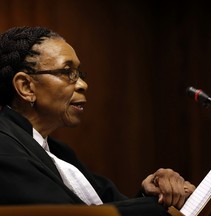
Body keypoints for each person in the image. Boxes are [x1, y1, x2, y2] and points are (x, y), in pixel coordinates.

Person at [0, 26, 195, 215]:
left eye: (80, 74)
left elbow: (110, 205)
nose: (83, 84)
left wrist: (155, 191)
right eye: (68, 72)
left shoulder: (60, 151)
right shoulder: (5, 150)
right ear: (26, 87)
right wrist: (159, 205)